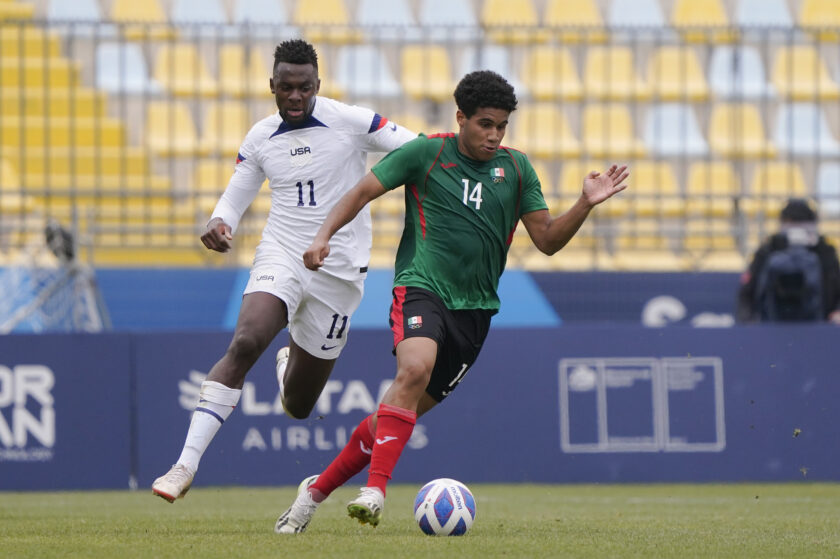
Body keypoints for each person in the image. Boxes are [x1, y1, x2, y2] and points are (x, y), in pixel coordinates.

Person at [273, 70, 629, 533]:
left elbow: (547, 241)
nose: (494, 135)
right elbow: (361, 192)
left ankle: (313, 493)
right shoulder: (426, 154)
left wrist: (584, 203)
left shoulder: (517, 169)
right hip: (421, 286)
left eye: (502, 126)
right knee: (414, 369)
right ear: (461, 117)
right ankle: (376, 491)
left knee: (391, 418)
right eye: (485, 124)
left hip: (475, 313)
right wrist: (322, 236)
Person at [151, 39, 417, 503]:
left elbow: (415, 149)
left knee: (298, 405)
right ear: (271, 85)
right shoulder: (260, 137)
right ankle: (183, 465)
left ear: (319, 84)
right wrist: (219, 222)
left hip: (340, 271)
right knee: (246, 340)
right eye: (286, 88)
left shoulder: (352, 122)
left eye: (305, 88)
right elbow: (234, 198)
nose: (295, 97)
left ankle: (287, 365)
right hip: (283, 253)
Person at [737, 197, 840, 324]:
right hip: (771, 326)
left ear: (812, 224)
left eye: (802, 223)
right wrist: (749, 322)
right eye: (791, 223)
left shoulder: (825, 251)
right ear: (783, 224)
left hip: (818, 326)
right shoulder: (769, 248)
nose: (797, 230)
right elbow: (747, 292)